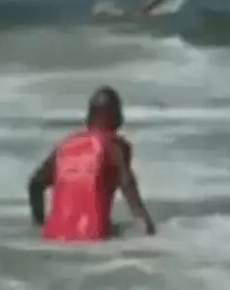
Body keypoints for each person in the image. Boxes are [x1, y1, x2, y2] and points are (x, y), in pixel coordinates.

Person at [27, 85, 156, 242]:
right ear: (116, 117)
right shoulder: (115, 146)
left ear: (88, 117)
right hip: (93, 238)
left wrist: (40, 223)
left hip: (53, 236)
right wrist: (145, 222)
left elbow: (35, 183)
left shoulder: (65, 146)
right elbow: (127, 183)